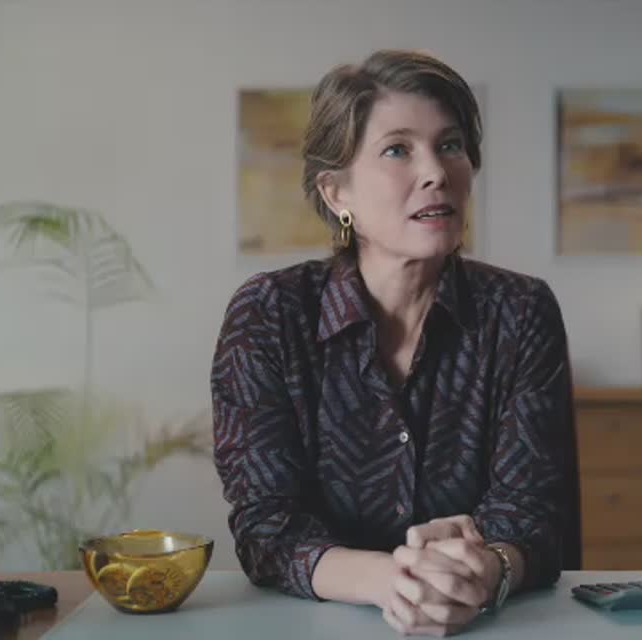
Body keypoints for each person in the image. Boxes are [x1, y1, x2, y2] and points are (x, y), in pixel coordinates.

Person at [211, 49, 579, 637]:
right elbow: (267, 527)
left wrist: (485, 570)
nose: (436, 172)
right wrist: (393, 581)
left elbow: (532, 515)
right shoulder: (269, 315)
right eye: (398, 150)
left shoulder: (520, 312)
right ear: (337, 193)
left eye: (450, 145)